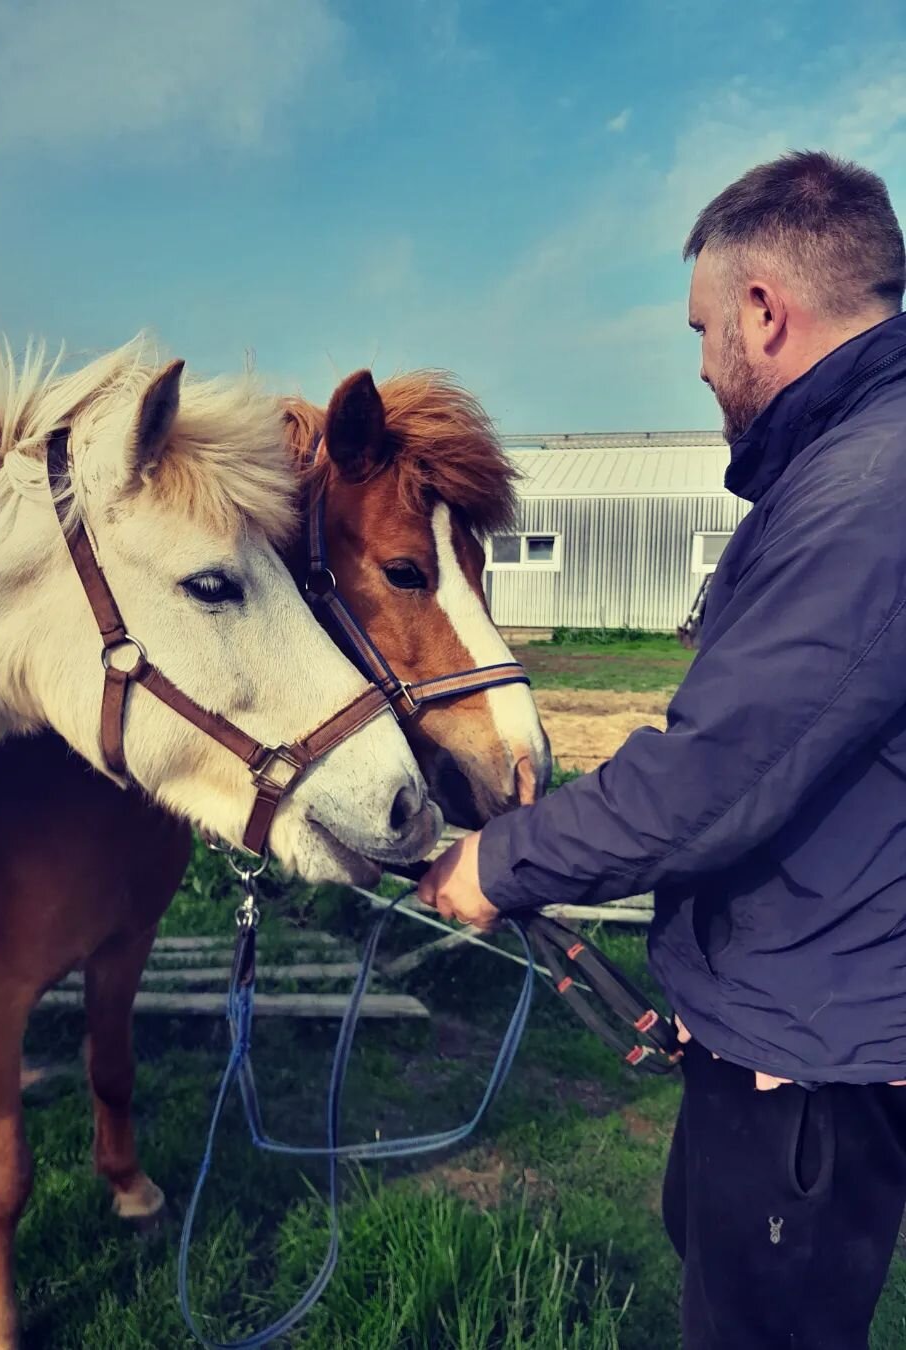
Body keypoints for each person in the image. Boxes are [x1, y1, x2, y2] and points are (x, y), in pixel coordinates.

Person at [419, 150, 906, 1349]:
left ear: (764, 311)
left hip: (813, 1079)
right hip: (788, 1016)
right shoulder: (852, 467)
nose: (697, 361)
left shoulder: (868, 494)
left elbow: (715, 774)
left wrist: (500, 863)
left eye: (702, 328)